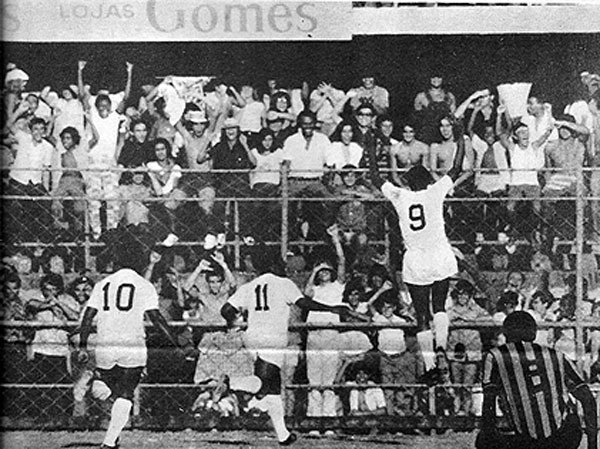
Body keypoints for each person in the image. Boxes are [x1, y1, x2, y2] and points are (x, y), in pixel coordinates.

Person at [218, 244, 352, 445]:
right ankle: (232, 383)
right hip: (272, 338)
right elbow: (304, 303)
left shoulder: (250, 285)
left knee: (272, 390)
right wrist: (332, 308)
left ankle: (283, 435)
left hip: (251, 337)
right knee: (263, 384)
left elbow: (226, 309)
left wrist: (235, 321)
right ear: (275, 263)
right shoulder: (283, 283)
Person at [367, 119, 466, 376]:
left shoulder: (402, 197)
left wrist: (370, 145)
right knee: (440, 306)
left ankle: (431, 365)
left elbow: (376, 176)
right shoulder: (435, 192)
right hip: (439, 253)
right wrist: (461, 137)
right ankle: (442, 345)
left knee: (421, 315)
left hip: (416, 259)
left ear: (409, 183)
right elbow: (456, 168)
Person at [76, 233, 181, 449]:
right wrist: (175, 343)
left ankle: (95, 381)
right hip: (132, 345)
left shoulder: (103, 284)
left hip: (105, 344)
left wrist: (83, 346)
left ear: (116, 261)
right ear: (139, 261)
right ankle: (108, 441)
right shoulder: (143, 285)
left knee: (110, 390)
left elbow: (87, 317)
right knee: (126, 394)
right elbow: (157, 318)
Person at [477, 311, 597, 449]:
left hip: (524, 441)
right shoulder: (556, 355)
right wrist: (592, 445)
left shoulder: (495, 356)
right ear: (534, 333)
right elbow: (587, 398)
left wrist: (489, 437)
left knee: (483, 438)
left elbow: (488, 404)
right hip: (562, 439)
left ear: (505, 333)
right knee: (570, 417)